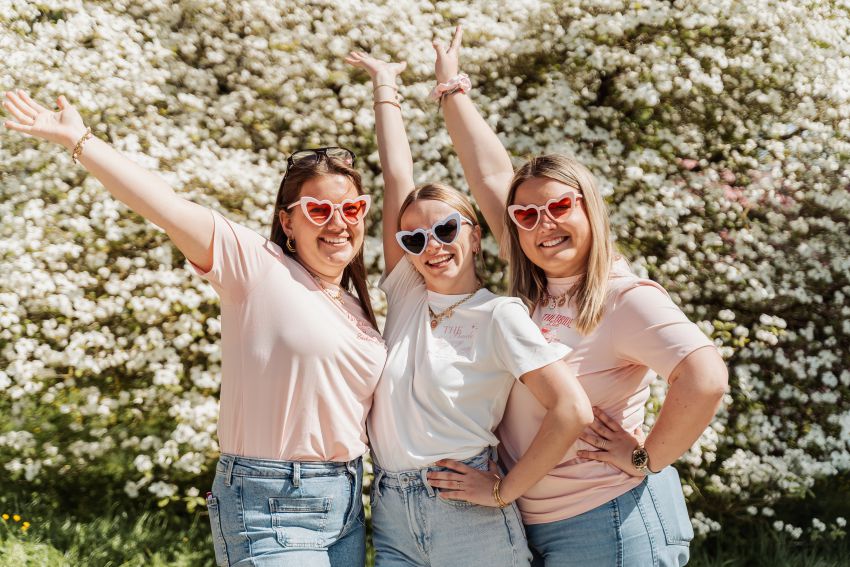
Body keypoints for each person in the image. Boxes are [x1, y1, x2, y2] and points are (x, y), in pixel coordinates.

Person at [3, 90, 387, 567]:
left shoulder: (357, 307)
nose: (338, 223)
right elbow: (164, 206)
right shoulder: (257, 267)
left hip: (346, 506)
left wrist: (390, 93)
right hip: (271, 505)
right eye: (318, 210)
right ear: (287, 222)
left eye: (351, 209)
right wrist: (80, 140)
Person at [428, 26, 729, 566]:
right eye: (527, 215)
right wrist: (452, 90)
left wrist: (646, 457)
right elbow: (490, 172)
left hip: (612, 520)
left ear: (589, 207)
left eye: (560, 207)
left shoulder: (624, 298)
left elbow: (705, 378)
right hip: (536, 526)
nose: (543, 224)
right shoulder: (531, 286)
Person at [345, 51, 593, 567]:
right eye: (415, 238)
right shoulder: (408, 293)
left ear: (475, 235)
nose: (432, 246)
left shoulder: (500, 315)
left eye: (445, 229)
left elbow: (571, 410)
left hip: (466, 512)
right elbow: (396, 176)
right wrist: (385, 87)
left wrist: (504, 490)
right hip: (391, 511)